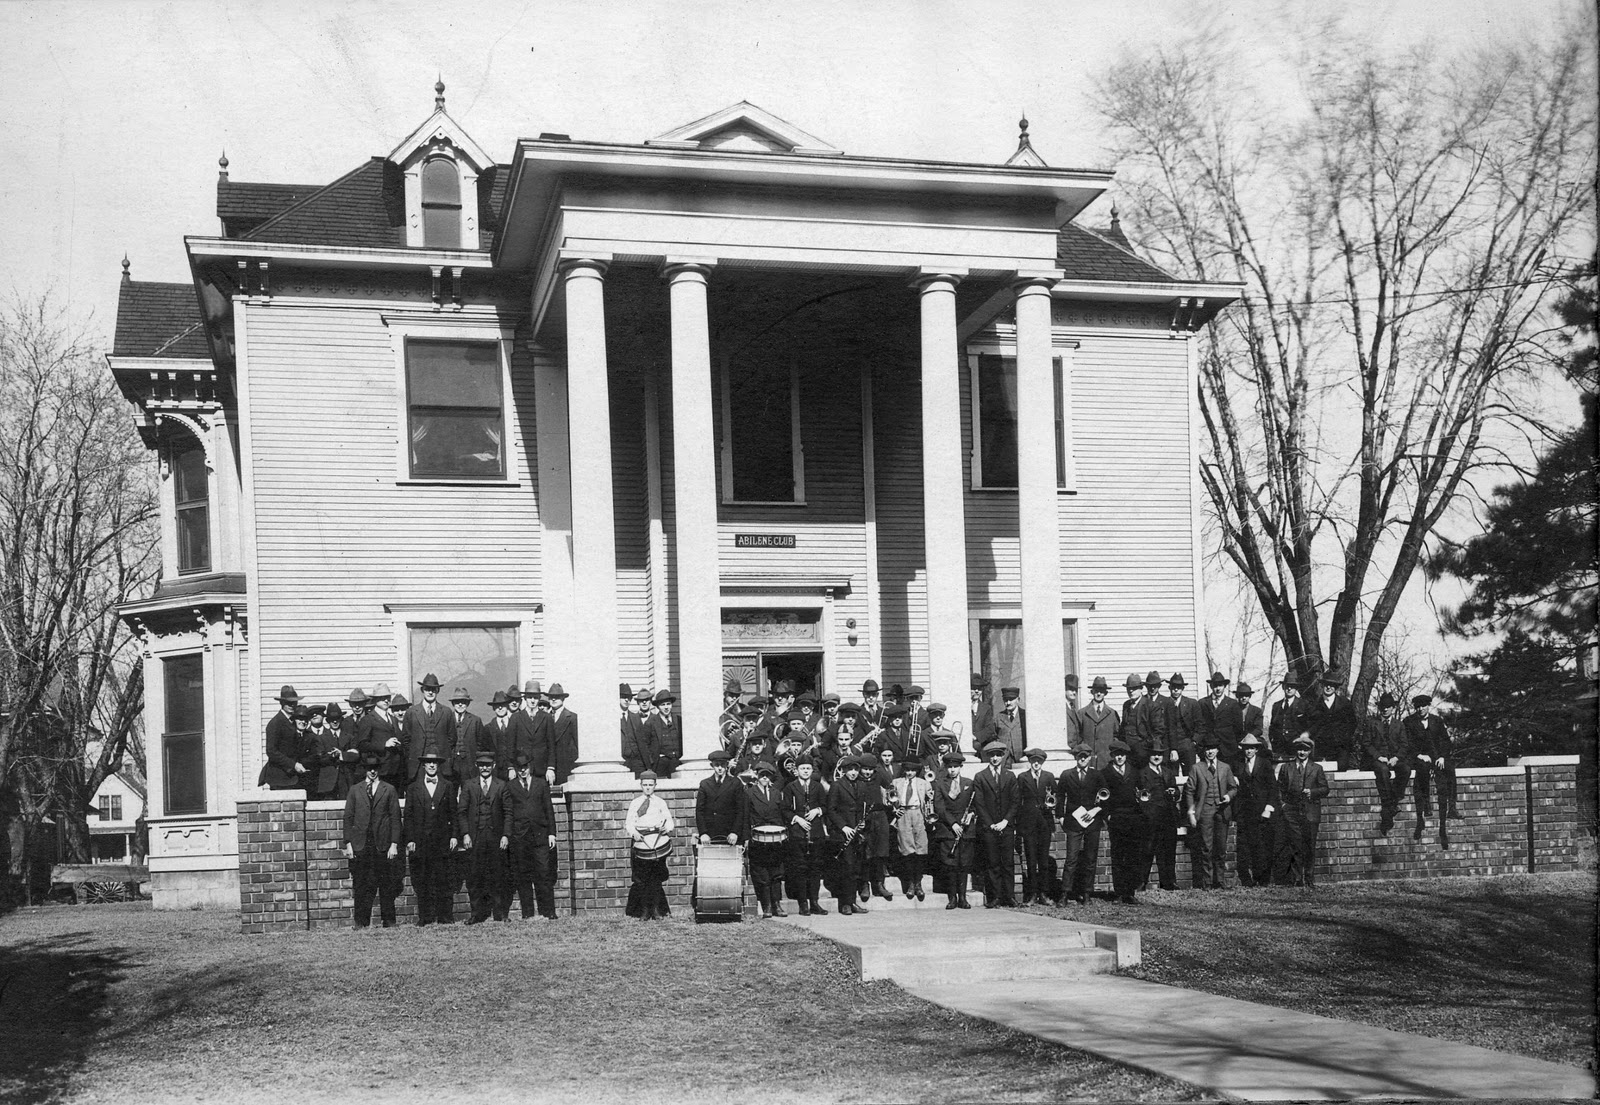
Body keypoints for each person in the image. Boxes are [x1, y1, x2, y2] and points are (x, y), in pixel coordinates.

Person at [343, 751, 402, 928]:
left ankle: (389, 920)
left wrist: (394, 844)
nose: (372, 772)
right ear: (365, 770)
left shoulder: (389, 789)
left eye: (375, 768)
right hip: (361, 844)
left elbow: (395, 818)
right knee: (361, 884)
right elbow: (348, 818)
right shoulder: (355, 790)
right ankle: (361, 922)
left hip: (382, 844)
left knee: (386, 884)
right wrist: (348, 843)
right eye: (369, 769)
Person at [403, 751, 459, 925]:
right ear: (423, 765)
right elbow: (409, 816)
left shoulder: (448, 786)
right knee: (423, 879)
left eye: (435, 762)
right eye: (428, 762)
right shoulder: (413, 788)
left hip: (442, 841)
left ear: (439, 765)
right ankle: (425, 917)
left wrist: (454, 836)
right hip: (421, 842)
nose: (432, 765)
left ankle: (445, 916)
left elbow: (454, 814)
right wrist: (410, 839)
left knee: (443, 879)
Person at [456, 751, 510, 923]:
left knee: (498, 875)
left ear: (493, 766)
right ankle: (476, 913)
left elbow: (509, 813)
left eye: (488, 765)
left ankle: (500, 913)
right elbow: (462, 812)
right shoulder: (469, 785)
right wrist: (465, 834)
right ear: (477, 766)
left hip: (495, 837)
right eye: (481, 765)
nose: (485, 768)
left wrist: (506, 835)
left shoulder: (501, 785)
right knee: (475, 876)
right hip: (475, 837)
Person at [504, 752, 558, 919]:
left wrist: (551, 833)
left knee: (543, 873)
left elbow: (548, 810)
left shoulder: (541, 784)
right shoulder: (510, 786)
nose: (523, 771)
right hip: (520, 837)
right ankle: (528, 913)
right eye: (519, 768)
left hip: (540, 835)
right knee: (523, 875)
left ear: (530, 767)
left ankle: (548, 912)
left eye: (525, 768)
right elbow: (509, 812)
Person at [1275, 734, 1329, 886]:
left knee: (1309, 845)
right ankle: (1297, 878)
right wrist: (1283, 806)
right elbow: (1279, 789)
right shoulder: (1286, 767)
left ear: (1310, 751)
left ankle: (1309, 878)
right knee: (1295, 845)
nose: (1302, 753)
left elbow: (1325, 789)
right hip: (1291, 811)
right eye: (1299, 750)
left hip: (1310, 811)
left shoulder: (1317, 768)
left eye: (1305, 750)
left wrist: (1312, 792)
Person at [1406, 694, 1459, 847]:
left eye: (1423, 706)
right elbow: (1408, 744)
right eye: (1417, 706)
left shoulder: (1436, 721)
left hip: (1436, 757)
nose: (1420, 709)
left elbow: (1445, 741)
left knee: (1450, 768)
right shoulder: (1409, 722)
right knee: (1422, 770)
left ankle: (1452, 807)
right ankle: (1425, 807)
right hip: (1419, 759)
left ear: (1428, 706)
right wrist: (1419, 755)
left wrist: (1442, 756)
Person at [971, 741, 1020, 907]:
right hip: (989, 827)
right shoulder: (980, 777)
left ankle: (1010, 896)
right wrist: (991, 824)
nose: (995, 758)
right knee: (992, 863)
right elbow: (979, 804)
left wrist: (1006, 821)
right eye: (992, 755)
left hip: (1006, 826)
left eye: (998, 755)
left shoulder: (1010, 776)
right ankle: (995, 896)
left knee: (1008, 862)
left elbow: (1015, 801)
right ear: (987, 757)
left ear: (1003, 756)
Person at [825, 755, 875, 915]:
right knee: (845, 869)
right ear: (843, 770)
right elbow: (831, 810)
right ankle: (844, 904)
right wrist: (844, 827)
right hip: (843, 834)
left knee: (856, 869)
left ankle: (853, 902)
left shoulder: (862, 785)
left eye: (855, 769)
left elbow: (864, 808)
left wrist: (863, 824)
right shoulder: (836, 785)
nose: (853, 772)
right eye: (850, 770)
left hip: (857, 833)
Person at [1054, 745, 1104, 904]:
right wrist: (1060, 816)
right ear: (1076, 757)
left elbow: (1106, 796)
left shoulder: (1097, 775)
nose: (1082, 759)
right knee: (1071, 858)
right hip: (1073, 821)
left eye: (1085, 757)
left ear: (1090, 758)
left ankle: (1087, 892)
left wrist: (1096, 811)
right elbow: (1060, 797)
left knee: (1090, 858)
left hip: (1092, 820)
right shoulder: (1067, 774)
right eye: (1080, 756)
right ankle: (1065, 893)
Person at [1098, 739, 1144, 904]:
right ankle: (1118, 892)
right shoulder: (1105, 773)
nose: (1119, 758)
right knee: (1118, 855)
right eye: (1117, 755)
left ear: (1126, 756)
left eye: (1122, 755)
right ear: (1112, 755)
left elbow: (1141, 792)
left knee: (1132, 855)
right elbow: (1102, 797)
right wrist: (1107, 815)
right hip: (1116, 817)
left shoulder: (1135, 771)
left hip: (1132, 817)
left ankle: (1129, 892)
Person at [782, 755, 830, 915]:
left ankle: (814, 902)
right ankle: (803, 903)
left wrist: (818, 810)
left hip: (815, 833)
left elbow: (825, 806)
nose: (805, 771)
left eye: (808, 768)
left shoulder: (818, 786)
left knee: (815, 868)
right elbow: (785, 810)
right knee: (800, 868)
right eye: (802, 768)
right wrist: (798, 819)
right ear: (796, 771)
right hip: (798, 833)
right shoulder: (790, 787)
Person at [624, 771, 674, 920]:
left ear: (655, 786)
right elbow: (629, 823)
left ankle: (657, 910)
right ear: (640, 785)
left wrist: (668, 828)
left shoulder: (660, 802)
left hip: (657, 841)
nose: (647, 788)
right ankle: (645, 911)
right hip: (642, 842)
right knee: (642, 879)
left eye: (650, 785)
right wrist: (634, 834)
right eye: (645, 785)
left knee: (656, 878)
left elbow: (669, 820)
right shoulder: (635, 803)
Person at [1188, 737, 1237, 890]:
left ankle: (1220, 881)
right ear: (1204, 751)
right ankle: (1207, 882)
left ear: (1217, 750)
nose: (1210, 752)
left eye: (1213, 749)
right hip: (1205, 811)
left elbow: (1233, 787)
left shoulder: (1225, 768)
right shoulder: (1197, 768)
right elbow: (1189, 791)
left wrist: (1228, 796)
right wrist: (1191, 812)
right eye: (1207, 749)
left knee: (1221, 847)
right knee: (1206, 847)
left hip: (1222, 811)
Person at [932, 750, 977, 909]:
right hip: (947, 828)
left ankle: (963, 897)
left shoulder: (969, 783)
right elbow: (939, 806)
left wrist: (971, 814)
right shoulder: (940, 783)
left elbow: (974, 804)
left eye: (955, 766)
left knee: (963, 863)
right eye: (949, 766)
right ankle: (952, 898)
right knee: (950, 864)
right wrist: (953, 824)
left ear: (960, 767)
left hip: (965, 829)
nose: (952, 769)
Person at [744, 761, 789, 918]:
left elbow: (781, 813)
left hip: (775, 838)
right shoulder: (750, 793)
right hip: (758, 838)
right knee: (762, 874)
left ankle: (777, 904)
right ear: (757, 776)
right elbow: (745, 816)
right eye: (762, 775)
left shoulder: (776, 793)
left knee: (776, 873)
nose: (764, 778)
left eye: (767, 776)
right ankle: (767, 905)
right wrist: (747, 837)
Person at [1233, 734, 1279, 887]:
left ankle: (1262, 878)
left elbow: (1273, 787)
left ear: (1256, 749)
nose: (1249, 751)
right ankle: (1246, 880)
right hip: (1245, 811)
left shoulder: (1264, 764)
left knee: (1261, 845)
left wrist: (1268, 808)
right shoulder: (1238, 764)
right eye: (1246, 748)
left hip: (1261, 812)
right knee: (1244, 846)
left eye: (1252, 748)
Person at [1362, 692, 1410, 835]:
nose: (1385, 709)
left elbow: (1404, 745)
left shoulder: (1399, 725)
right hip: (1378, 760)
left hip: (1394, 759)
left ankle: (1392, 802)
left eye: (1388, 707)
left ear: (1393, 708)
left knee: (1406, 769)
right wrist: (1378, 756)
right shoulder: (1372, 723)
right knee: (1383, 771)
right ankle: (1390, 806)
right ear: (1379, 708)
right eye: (1383, 706)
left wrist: (1396, 758)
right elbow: (1366, 743)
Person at [1137, 746, 1182, 892]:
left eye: (1159, 754)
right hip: (1150, 817)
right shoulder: (1142, 773)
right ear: (1149, 755)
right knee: (1147, 850)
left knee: (1169, 850)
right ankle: (1141, 882)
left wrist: (1173, 792)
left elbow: (1176, 792)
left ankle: (1169, 882)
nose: (1157, 757)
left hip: (1168, 816)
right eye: (1153, 754)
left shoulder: (1168, 772)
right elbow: (1138, 796)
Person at [1016, 748, 1057, 905]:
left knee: (1044, 861)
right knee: (1031, 860)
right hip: (1028, 824)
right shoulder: (1022, 777)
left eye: (1039, 761)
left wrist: (1052, 803)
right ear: (1030, 762)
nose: (1036, 764)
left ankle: (1044, 893)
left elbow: (1056, 795)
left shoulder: (1049, 776)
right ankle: (1032, 894)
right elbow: (1018, 801)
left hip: (1045, 823)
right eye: (1033, 761)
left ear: (1043, 762)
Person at [890, 757, 933, 900]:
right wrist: (894, 809)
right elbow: (888, 798)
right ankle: (909, 883)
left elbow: (929, 801)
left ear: (917, 771)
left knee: (921, 848)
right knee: (906, 849)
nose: (909, 773)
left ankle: (918, 883)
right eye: (907, 770)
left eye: (913, 770)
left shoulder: (923, 783)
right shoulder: (896, 782)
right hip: (903, 814)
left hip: (918, 814)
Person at [404, 673, 458, 786]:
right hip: (418, 766)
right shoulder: (411, 712)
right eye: (427, 689)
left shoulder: (446, 712)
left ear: (438, 690)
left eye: (433, 689)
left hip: (441, 765)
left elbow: (452, 739)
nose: (430, 692)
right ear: (422, 690)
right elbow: (406, 740)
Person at [260, 684, 309, 790]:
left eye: (294, 702)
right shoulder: (275, 723)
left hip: (292, 777)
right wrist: (293, 765)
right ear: (281, 703)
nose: (292, 705)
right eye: (288, 702)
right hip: (280, 779)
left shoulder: (292, 721)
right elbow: (271, 751)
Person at [696, 749, 748, 846]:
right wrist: (703, 833)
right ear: (712, 766)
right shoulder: (705, 784)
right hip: (710, 835)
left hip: (730, 834)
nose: (720, 768)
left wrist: (735, 832)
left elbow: (740, 810)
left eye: (723, 765)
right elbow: (699, 811)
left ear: (727, 765)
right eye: (717, 765)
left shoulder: (735, 783)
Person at [1309, 670, 1359, 771]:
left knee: (1341, 770)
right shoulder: (1314, 705)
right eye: (1326, 684)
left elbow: (1352, 724)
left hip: (1340, 747)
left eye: (1332, 685)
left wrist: (1344, 738)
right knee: (1319, 772)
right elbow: (1310, 726)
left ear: (1336, 687)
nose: (1328, 687)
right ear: (1322, 685)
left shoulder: (1345, 704)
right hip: (1321, 747)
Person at [1198, 673, 1245, 766]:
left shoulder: (1232, 704)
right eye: (1215, 686)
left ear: (1225, 686)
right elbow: (1199, 726)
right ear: (1211, 686)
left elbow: (1238, 728)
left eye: (1220, 685)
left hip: (1228, 747)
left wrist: (1235, 745)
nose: (1218, 688)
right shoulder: (1202, 703)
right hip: (1208, 747)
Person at [1077, 677, 1121, 768]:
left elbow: (1116, 737)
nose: (1099, 693)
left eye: (1101, 691)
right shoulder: (1082, 713)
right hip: (1088, 762)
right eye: (1096, 690)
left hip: (1106, 762)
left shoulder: (1112, 714)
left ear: (1106, 693)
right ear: (1092, 692)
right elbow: (1077, 737)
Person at [448, 686, 484, 786]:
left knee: (469, 792)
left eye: (463, 702)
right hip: (451, 764)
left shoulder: (475, 720)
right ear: (453, 703)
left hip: (469, 764)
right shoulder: (447, 718)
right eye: (457, 702)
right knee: (450, 793)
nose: (460, 704)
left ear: (467, 703)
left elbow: (480, 744)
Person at [546, 683, 579, 785]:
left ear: (563, 699)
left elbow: (577, 744)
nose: (554, 700)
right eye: (551, 697)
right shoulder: (544, 717)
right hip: (547, 767)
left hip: (565, 766)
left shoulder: (572, 717)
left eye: (557, 697)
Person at [1167, 673, 1200, 766]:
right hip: (1169, 746)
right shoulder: (1164, 703)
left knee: (1190, 774)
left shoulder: (1191, 703)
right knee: (1171, 775)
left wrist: (1194, 742)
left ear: (1183, 688)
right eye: (1173, 687)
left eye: (1179, 687)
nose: (1176, 689)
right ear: (1169, 687)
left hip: (1187, 744)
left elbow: (1200, 725)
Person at [650, 690, 683, 777]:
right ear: (657, 706)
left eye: (668, 704)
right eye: (662, 705)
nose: (666, 707)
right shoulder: (651, 722)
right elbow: (646, 745)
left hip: (677, 761)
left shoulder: (679, 720)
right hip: (660, 764)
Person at [990, 688, 1026, 763]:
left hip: (1021, 757)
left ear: (1018, 699)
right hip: (1003, 759)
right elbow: (993, 737)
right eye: (1006, 700)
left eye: (1011, 699)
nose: (1008, 702)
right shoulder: (999, 717)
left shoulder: (1024, 716)